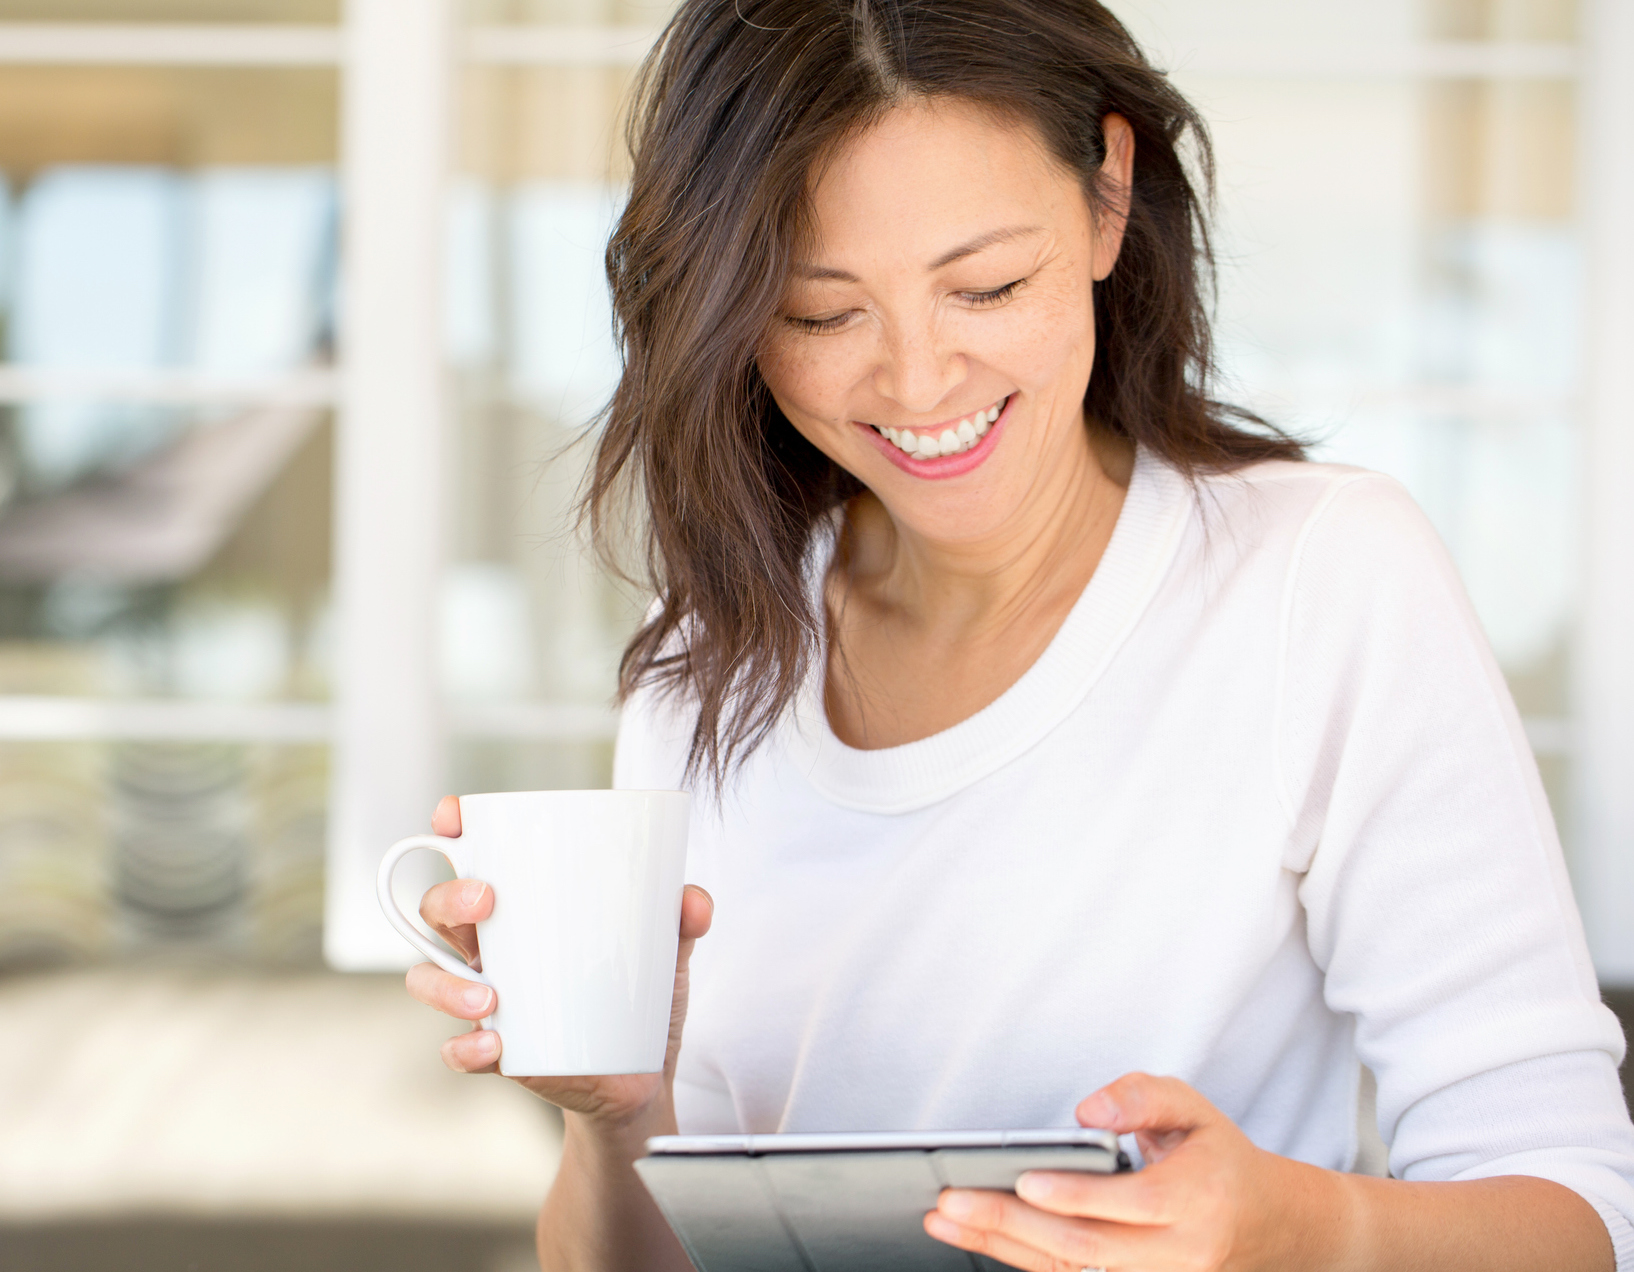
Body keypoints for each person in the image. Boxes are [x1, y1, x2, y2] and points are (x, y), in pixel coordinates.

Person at [403, 1, 1634, 1268]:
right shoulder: (704, 670)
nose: (920, 381)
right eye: (824, 315)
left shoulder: (1317, 584)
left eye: (985, 285)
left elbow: (1577, 1218)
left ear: (1108, 195)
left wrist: (1299, 1230)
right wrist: (619, 1119)